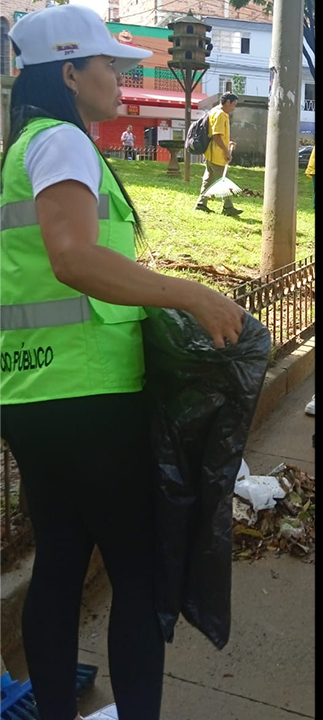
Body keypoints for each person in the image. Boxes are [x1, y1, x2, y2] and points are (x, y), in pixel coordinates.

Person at [0, 5, 246, 719]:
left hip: (33, 394)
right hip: (91, 399)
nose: (120, 75)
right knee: (137, 576)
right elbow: (74, 259)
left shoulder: (26, 147)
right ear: (70, 74)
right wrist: (191, 295)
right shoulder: (64, 145)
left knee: (60, 563)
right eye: (108, 64)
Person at [195, 91, 240, 216]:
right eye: (233, 105)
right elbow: (216, 136)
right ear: (227, 102)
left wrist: (227, 142)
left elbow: (217, 134)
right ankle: (228, 207)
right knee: (224, 180)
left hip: (210, 153)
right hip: (217, 154)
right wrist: (227, 151)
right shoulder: (220, 114)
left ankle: (201, 204)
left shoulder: (214, 111)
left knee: (208, 179)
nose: (233, 108)